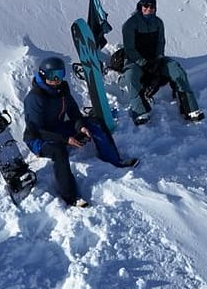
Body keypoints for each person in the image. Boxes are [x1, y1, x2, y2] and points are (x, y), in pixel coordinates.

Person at [22, 55, 137, 207]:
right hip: (37, 138)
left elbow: (74, 112)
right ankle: (70, 197)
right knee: (59, 151)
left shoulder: (62, 89)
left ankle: (115, 160)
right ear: (43, 75)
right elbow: (36, 130)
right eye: (52, 75)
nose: (57, 79)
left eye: (60, 74)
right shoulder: (34, 98)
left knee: (95, 123)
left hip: (58, 128)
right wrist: (65, 139)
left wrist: (81, 127)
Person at [121, 0, 204, 121]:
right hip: (135, 61)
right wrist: (143, 63)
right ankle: (140, 111)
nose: (148, 9)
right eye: (145, 6)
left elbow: (161, 43)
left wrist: (159, 59)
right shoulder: (130, 24)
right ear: (140, 6)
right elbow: (129, 49)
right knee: (131, 76)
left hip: (155, 59)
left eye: (152, 6)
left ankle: (191, 109)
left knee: (177, 70)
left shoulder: (158, 23)